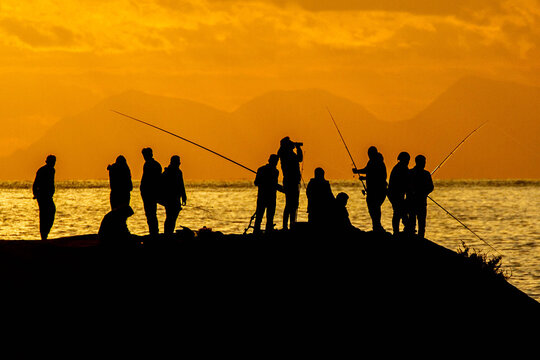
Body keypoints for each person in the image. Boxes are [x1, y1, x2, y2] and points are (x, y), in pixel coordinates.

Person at [353, 146, 387, 232]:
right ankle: (376, 226)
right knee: (375, 208)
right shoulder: (376, 162)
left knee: (374, 208)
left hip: (376, 191)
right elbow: (372, 174)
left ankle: (377, 226)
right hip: (378, 190)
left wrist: (357, 171)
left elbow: (369, 172)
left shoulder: (376, 162)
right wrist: (364, 178)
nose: (369, 155)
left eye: (370, 154)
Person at [277, 136, 303, 230]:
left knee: (294, 204)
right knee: (290, 204)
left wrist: (298, 148)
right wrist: (298, 148)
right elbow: (299, 159)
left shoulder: (289, 153)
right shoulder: (285, 153)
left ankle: (291, 224)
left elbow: (299, 159)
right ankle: (286, 226)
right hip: (290, 180)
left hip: (293, 180)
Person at [253, 154, 282, 234]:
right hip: (266, 197)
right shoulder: (270, 171)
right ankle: (258, 231)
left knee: (267, 216)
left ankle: (265, 231)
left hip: (268, 197)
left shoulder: (263, 170)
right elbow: (256, 183)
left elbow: (257, 183)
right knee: (260, 215)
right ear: (270, 161)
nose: (276, 163)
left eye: (276, 162)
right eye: (275, 161)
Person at [408, 155, 434, 238]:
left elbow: (431, 187)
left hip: (417, 202)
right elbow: (431, 187)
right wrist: (424, 192)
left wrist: (424, 192)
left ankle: (417, 239)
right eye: (423, 162)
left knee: (418, 224)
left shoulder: (411, 172)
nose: (424, 164)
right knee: (417, 224)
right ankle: (418, 240)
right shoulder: (425, 174)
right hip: (417, 202)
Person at [161, 155, 187, 235]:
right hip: (170, 200)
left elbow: (181, 185)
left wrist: (184, 196)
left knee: (171, 218)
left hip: (175, 199)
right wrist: (183, 196)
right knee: (170, 218)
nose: (179, 163)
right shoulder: (168, 172)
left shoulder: (177, 172)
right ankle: (168, 234)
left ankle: (168, 233)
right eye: (178, 162)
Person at [33, 155, 56, 240]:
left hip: (49, 195)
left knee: (51, 211)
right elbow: (35, 183)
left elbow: (51, 183)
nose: (53, 164)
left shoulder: (52, 170)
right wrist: (35, 194)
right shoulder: (42, 170)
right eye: (52, 162)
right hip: (42, 196)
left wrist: (52, 191)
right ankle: (43, 236)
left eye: (54, 162)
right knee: (43, 215)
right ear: (48, 162)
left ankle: (46, 233)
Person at [388, 152, 411, 236]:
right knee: (398, 212)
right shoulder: (401, 168)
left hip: (396, 194)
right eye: (407, 160)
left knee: (400, 211)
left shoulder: (400, 168)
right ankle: (398, 231)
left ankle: (405, 228)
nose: (408, 162)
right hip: (395, 194)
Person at [140, 147, 162, 236]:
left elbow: (146, 180)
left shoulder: (148, 165)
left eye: (145, 155)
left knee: (150, 214)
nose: (144, 157)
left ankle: (154, 233)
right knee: (152, 214)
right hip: (153, 193)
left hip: (149, 194)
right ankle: (154, 232)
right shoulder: (157, 164)